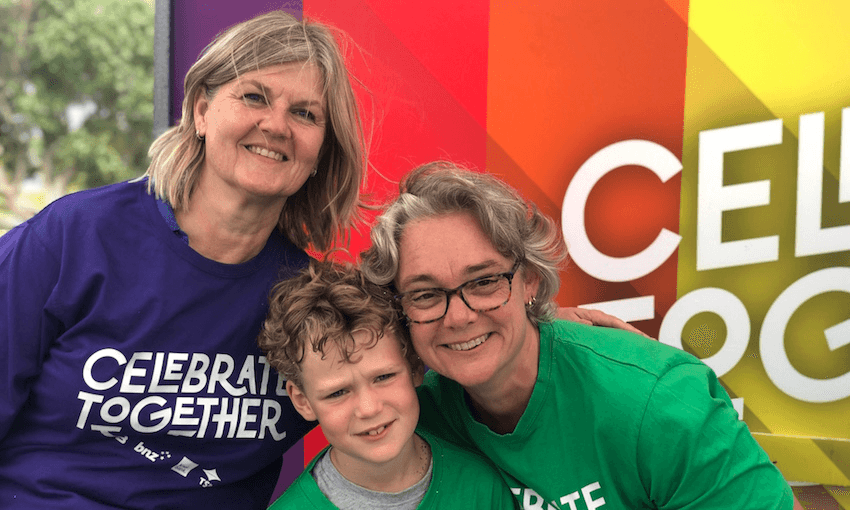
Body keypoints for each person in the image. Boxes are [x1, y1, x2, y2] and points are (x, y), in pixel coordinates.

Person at [0, 11, 365, 509]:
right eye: (254, 96)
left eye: (306, 113)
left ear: (322, 149)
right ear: (200, 111)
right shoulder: (75, 237)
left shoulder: (312, 303)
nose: (276, 125)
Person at [360, 161, 802, 509]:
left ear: (530, 280)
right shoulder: (409, 412)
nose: (457, 316)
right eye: (425, 294)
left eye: (484, 283)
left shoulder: (657, 403)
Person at [257, 260, 518, 509]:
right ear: (303, 400)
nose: (369, 408)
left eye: (383, 377)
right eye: (338, 392)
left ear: (415, 367)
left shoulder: (483, 489)